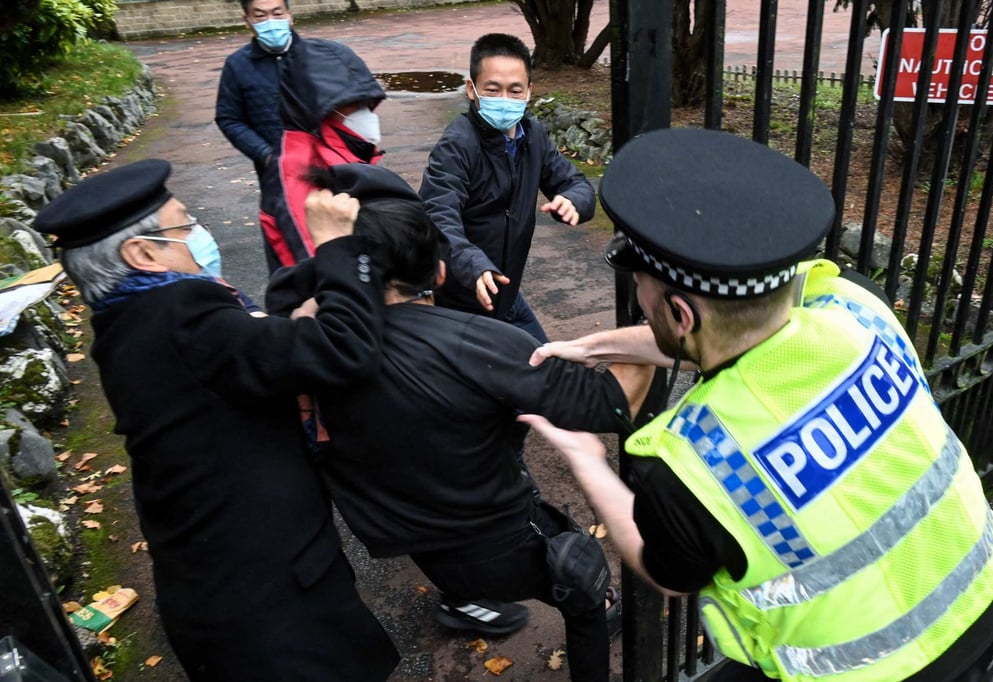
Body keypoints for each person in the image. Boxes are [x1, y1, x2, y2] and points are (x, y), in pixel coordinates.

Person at [523, 128, 993, 682]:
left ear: (680, 314)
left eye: (642, 290)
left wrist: (585, 457)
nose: (639, 297)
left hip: (875, 667)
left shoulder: (695, 462)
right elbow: (742, 332)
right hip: (981, 586)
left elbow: (668, 576)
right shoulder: (855, 305)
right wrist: (597, 347)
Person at [265, 163, 655, 681]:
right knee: (583, 582)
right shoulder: (479, 342)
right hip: (497, 542)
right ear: (441, 272)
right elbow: (610, 404)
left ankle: (463, 602)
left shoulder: (303, 338)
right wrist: (654, 325)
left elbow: (287, 293)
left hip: (410, 541)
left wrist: (335, 260)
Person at [32, 159, 399, 680]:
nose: (199, 232)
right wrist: (338, 246)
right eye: (185, 224)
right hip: (272, 609)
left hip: (213, 588)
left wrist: (287, 329)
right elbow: (346, 351)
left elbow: (238, 358)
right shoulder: (185, 312)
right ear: (142, 254)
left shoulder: (128, 319)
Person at [419, 33, 596, 343]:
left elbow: (576, 183)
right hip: (461, 302)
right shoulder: (458, 144)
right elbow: (437, 216)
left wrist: (572, 200)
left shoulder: (533, 136)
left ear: (529, 91)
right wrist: (473, 264)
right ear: (472, 90)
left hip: (506, 296)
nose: (504, 99)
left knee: (547, 364)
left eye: (515, 90)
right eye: (492, 90)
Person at [265, 37, 386, 269]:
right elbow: (321, 267)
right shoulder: (297, 172)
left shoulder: (345, 151)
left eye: (367, 103)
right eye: (355, 103)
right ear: (321, 107)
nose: (366, 113)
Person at [215, 0, 297, 272]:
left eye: (277, 13)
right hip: (276, 176)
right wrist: (265, 155)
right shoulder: (238, 65)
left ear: (289, 15)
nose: (271, 22)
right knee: (286, 249)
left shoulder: (317, 56)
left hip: (326, 169)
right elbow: (229, 118)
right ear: (247, 21)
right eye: (260, 16)